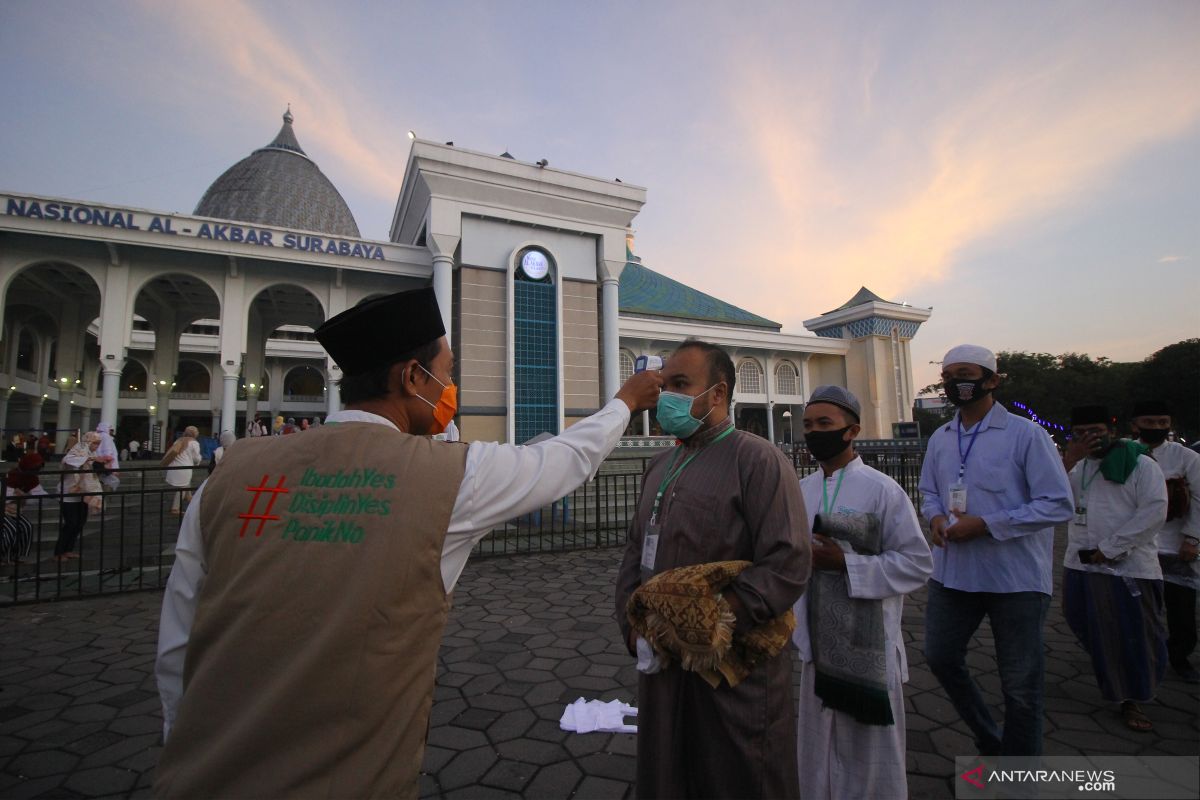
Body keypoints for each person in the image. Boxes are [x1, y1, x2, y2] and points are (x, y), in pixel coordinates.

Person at [154, 288, 662, 799]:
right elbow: (565, 460)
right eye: (446, 371)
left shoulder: (233, 471)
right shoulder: (449, 478)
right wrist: (626, 401)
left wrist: (183, 751)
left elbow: (177, 645)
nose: (451, 386)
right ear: (412, 378)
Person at [614, 339, 809, 799]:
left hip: (731, 667)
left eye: (681, 385)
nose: (667, 396)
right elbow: (634, 550)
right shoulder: (660, 464)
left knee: (738, 774)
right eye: (665, 386)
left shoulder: (759, 460)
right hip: (662, 660)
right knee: (668, 767)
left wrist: (704, 624)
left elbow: (787, 563)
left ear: (717, 394)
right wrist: (631, 624)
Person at [918, 344, 1073, 757]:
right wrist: (934, 518)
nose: (955, 383)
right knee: (940, 657)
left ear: (992, 380)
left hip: (1014, 579)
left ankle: (1018, 775)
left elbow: (1058, 502)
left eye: (965, 374)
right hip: (954, 574)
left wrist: (987, 524)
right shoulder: (942, 436)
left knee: (1020, 685)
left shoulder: (1026, 434)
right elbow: (929, 491)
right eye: (948, 376)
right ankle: (990, 739)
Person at [792, 386, 932, 800]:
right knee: (818, 752)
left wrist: (848, 565)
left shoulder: (882, 490)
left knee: (869, 756)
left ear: (851, 431)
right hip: (818, 640)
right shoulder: (803, 489)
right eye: (807, 425)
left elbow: (917, 563)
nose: (814, 433)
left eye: (824, 424)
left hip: (866, 647)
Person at [1062, 405, 1168, 730]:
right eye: (1081, 433)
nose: (1090, 438)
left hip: (1127, 567)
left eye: (1095, 430)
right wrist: (1068, 460)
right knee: (1081, 620)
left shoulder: (1139, 462)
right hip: (1081, 563)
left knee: (1132, 635)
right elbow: (1054, 498)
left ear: (1111, 426)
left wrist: (1110, 549)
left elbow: (1154, 512)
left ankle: (1133, 699)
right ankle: (1112, 675)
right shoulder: (1078, 467)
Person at [1129, 400, 1200, 683]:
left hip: (1175, 543)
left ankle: (1180, 657)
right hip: (1136, 543)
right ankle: (1139, 654)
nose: (1157, 428)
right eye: (1150, 422)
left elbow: (1198, 499)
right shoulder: (1124, 452)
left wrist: (1193, 538)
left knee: (1181, 606)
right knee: (1140, 605)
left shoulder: (1186, 457)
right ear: (1135, 425)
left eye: (1162, 422)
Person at [56, 432, 105, 561]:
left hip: (83, 492)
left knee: (79, 523)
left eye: (98, 444)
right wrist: (89, 460)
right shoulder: (79, 449)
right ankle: (59, 552)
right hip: (69, 492)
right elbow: (69, 461)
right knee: (71, 523)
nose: (96, 446)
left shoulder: (92, 454)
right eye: (95, 443)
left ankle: (68, 549)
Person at [2, 453, 47, 564]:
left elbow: (42, 497)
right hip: (3, 510)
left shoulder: (32, 478)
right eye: (35, 467)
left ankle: (15, 556)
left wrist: (23, 497)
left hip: (14, 511)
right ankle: (3, 557)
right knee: (11, 529)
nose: (37, 470)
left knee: (27, 527)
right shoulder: (12, 475)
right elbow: (6, 497)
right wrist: (22, 497)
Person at [162, 426, 202, 514]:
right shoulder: (194, 443)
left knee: (185, 484)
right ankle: (175, 508)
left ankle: (190, 498)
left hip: (174, 467)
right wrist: (199, 460)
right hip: (184, 468)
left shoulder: (178, 440)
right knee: (182, 488)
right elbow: (196, 458)